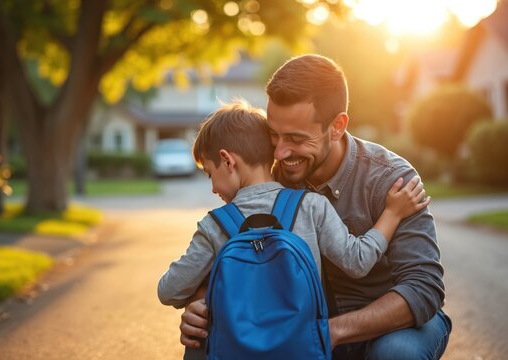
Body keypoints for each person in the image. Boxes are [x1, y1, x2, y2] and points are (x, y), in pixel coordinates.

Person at [179, 55, 452, 360]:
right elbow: (228, 248)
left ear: (337, 126)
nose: (280, 152)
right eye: (274, 134)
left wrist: (330, 332)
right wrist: (200, 303)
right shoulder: (269, 179)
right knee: (203, 346)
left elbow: (423, 288)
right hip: (296, 328)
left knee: (396, 353)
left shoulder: (390, 180)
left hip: (387, 327)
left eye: (295, 138)